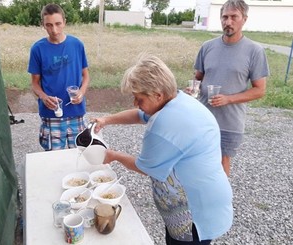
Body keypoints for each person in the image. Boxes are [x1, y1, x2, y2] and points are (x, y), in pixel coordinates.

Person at [94, 54, 233, 244]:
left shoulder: (164, 123)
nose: (136, 103)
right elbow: (139, 114)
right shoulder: (179, 100)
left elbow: (145, 167)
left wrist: (114, 156)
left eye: (139, 98)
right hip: (210, 197)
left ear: (158, 95)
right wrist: (107, 120)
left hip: (195, 212)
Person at [193, 0, 269, 176]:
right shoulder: (207, 47)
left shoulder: (255, 51)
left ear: (244, 19)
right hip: (203, 118)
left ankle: (219, 202)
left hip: (230, 122)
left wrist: (228, 99)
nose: (228, 22)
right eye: (225, 17)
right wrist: (193, 89)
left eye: (234, 17)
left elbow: (259, 90)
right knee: (197, 159)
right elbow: (198, 77)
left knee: (221, 162)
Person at [27, 3, 90, 151]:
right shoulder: (37, 49)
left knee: (79, 154)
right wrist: (44, 97)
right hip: (51, 113)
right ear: (43, 25)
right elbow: (35, 83)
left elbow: (86, 75)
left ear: (64, 22)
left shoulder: (76, 45)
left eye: (57, 24)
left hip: (76, 111)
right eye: (48, 25)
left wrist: (81, 92)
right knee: (54, 157)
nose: (54, 30)